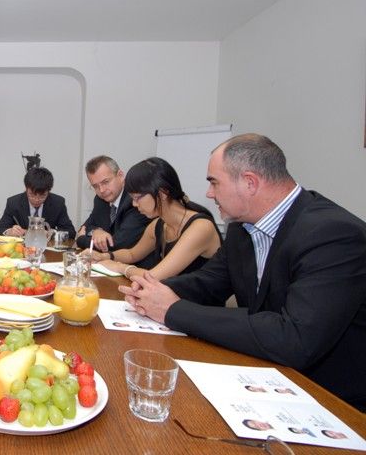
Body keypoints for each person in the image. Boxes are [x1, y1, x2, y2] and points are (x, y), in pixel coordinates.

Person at [120, 134, 366, 411]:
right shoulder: (241, 227)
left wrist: (171, 310)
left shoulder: (333, 234)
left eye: (214, 182)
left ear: (250, 182)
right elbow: (209, 282)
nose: (209, 194)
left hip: (333, 401)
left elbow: (295, 337)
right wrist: (153, 291)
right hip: (264, 373)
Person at [87, 158, 221, 280]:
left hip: (196, 299)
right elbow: (132, 254)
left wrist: (120, 267)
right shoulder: (159, 224)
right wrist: (104, 256)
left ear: (162, 193)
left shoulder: (200, 227)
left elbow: (154, 277)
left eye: (137, 198)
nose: (134, 204)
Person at [74, 156, 152, 262]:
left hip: (137, 265)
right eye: (95, 186)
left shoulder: (135, 201)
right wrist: (96, 231)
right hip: (109, 265)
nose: (101, 190)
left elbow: (117, 244)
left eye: (105, 182)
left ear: (120, 176)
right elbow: (86, 226)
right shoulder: (100, 200)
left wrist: (81, 240)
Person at [0, 167, 76, 238]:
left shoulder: (58, 203)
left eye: (42, 196)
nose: (36, 199)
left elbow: (71, 232)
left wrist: (51, 233)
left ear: (49, 191)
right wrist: (10, 232)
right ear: (26, 188)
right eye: (32, 195)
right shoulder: (14, 203)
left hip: (47, 248)